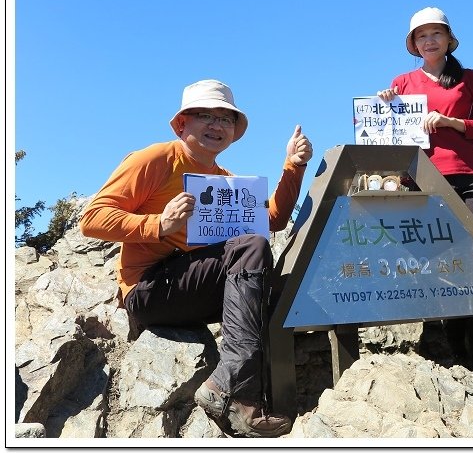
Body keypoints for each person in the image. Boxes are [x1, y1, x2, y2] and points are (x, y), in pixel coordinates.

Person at [79, 79, 312, 437]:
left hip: (192, 289)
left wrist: (293, 166)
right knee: (250, 247)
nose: (217, 126)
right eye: (205, 115)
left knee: (265, 279)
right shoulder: (155, 159)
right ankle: (232, 388)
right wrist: (160, 224)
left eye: (226, 119)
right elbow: (92, 219)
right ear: (182, 124)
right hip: (148, 289)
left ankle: (252, 402)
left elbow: (273, 221)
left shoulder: (225, 183)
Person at [377, 6, 473, 378]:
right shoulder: (401, 84)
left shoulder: (469, 78)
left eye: (436, 33)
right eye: (421, 35)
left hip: (472, 180)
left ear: (449, 40)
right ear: (414, 45)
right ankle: (460, 362)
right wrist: (383, 104)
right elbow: (388, 134)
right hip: (425, 183)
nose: (429, 40)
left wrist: (453, 122)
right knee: (444, 268)